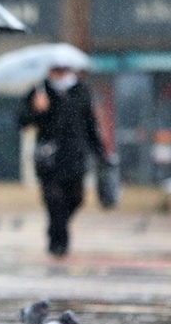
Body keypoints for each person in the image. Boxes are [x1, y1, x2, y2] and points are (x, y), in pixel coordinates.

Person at [18, 61, 109, 258]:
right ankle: (58, 243)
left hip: (75, 156)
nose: (59, 74)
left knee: (76, 198)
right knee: (54, 199)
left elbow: (90, 126)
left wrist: (100, 152)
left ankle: (57, 228)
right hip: (48, 158)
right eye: (55, 70)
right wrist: (36, 109)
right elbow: (22, 121)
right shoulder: (39, 90)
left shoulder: (82, 91)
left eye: (63, 70)